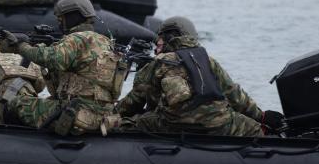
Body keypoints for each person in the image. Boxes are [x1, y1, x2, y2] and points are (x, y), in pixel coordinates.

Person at [101, 16, 285, 137]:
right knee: (257, 130)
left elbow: (134, 101)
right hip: (218, 123)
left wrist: (111, 114)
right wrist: (261, 117)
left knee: (130, 123)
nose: (156, 46)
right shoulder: (208, 60)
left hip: (170, 125)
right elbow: (235, 95)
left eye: (159, 41)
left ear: (169, 37)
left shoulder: (157, 63)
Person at [0, 0, 124, 136]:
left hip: (75, 111)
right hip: (99, 114)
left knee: (15, 103)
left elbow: (51, 58)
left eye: (61, 19)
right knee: (48, 101)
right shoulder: (105, 42)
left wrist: (20, 47)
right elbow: (57, 87)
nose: (59, 23)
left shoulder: (76, 39)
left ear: (73, 16)